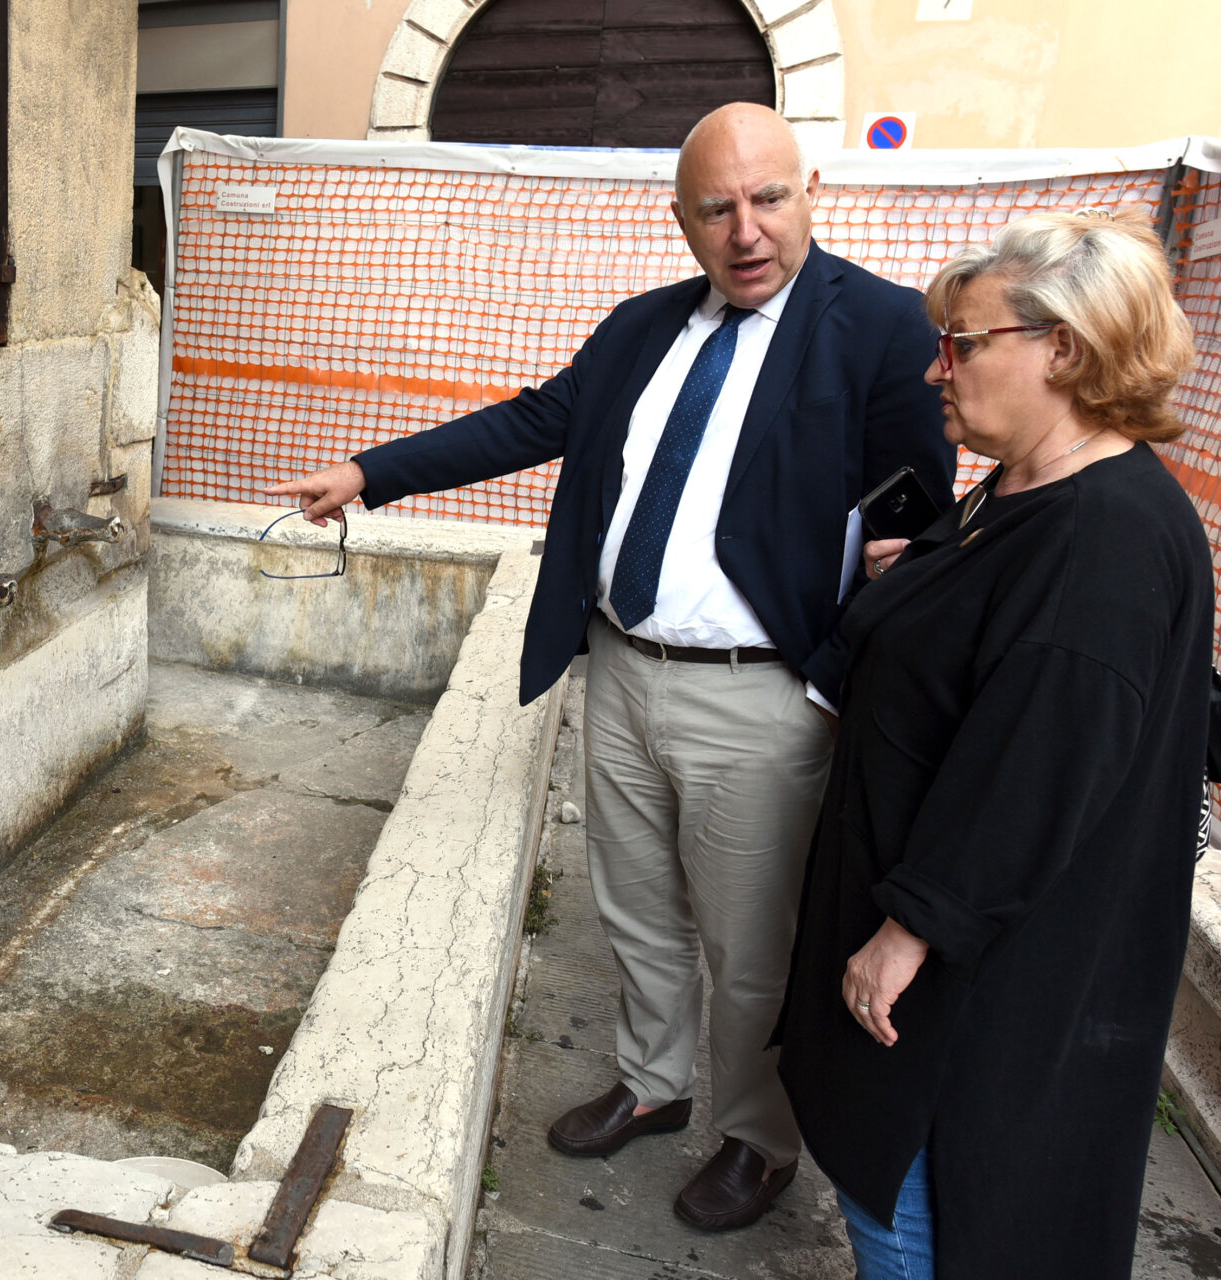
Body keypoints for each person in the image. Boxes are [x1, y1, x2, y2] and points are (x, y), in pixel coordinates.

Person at [263, 102, 952, 1229]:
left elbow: (915, 534)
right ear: (679, 218)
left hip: (764, 694)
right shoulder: (643, 327)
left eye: (768, 198)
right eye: (716, 207)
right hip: (623, 667)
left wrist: (825, 681)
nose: (745, 231)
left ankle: (756, 1136)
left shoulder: (880, 329)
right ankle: (651, 1081)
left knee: (749, 946)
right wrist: (369, 470)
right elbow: (533, 420)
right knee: (633, 906)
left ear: (811, 190)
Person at [774, 207, 1208, 1279]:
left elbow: (1042, 764)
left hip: (969, 1007)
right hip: (921, 951)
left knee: (922, 1218)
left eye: (962, 343)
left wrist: (908, 931)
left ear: (1063, 346)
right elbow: (987, 647)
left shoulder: (1104, 533)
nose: (937, 369)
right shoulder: (1020, 485)